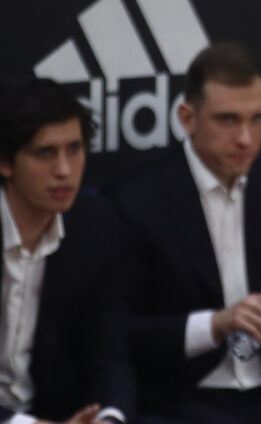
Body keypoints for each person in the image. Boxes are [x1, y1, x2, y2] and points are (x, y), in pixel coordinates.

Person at [104, 43, 261, 424]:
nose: (246, 139)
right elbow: (115, 332)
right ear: (187, 117)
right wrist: (215, 325)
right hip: (178, 399)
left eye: (257, 119)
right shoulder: (136, 203)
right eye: (228, 120)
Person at [0, 78, 134, 424]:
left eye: (74, 150)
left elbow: (110, 353)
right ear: (6, 162)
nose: (64, 170)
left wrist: (108, 417)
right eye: (45, 153)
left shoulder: (94, 224)